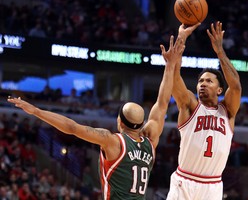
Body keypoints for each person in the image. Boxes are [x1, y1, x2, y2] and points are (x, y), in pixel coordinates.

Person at [7, 29, 198, 200]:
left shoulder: (112, 141)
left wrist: (36, 111)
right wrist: (170, 65)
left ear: (119, 122)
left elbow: (72, 127)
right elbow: (162, 103)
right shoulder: (151, 140)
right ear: (140, 125)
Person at [166, 21, 242, 200]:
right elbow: (174, 79)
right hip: (184, 181)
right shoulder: (190, 105)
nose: (203, 84)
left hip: (212, 186)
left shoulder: (228, 111)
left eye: (209, 81)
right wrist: (181, 39)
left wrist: (219, 51)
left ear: (219, 90)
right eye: (200, 81)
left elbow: (236, 86)